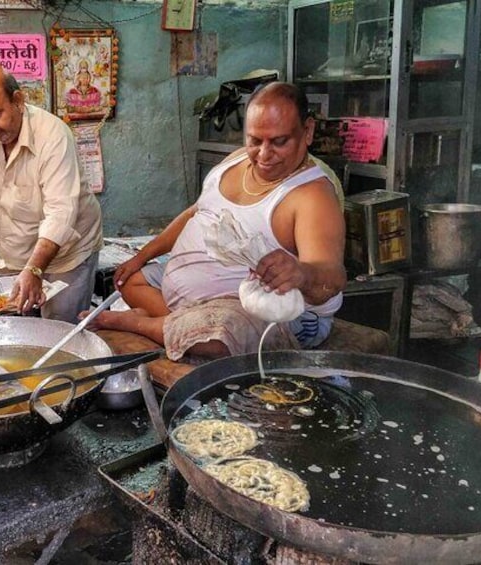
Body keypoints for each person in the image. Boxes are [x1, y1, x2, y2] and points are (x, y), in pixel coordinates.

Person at [88, 82, 346, 361]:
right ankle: (183, 322)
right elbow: (195, 213)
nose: (263, 154)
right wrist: (142, 257)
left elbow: (332, 276)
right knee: (126, 279)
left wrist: (302, 273)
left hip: (270, 311)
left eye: (279, 141)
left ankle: (142, 322)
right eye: (255, 140)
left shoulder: (312, 196)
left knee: (221, 335)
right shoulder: (236, 161)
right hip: (192, 295)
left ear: (307, 131)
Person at [0, 64, 103, 322]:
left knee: (57, 333)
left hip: (67, 257)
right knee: (13, 326)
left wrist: (35, 268)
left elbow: (60, 213)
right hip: (16, 254)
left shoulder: (53, 136)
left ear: (18, 100)